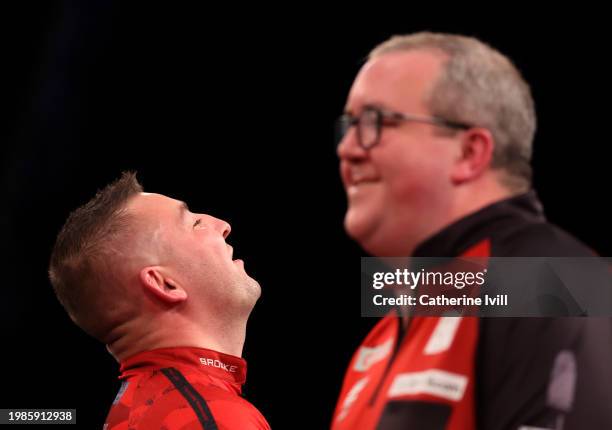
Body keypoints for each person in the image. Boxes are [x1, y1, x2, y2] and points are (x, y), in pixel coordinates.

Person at [332, 32, 612, 429]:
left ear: (469, 153)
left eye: (376, 122)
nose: (347, 149)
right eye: (349, 125)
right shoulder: (382, 336)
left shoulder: (551, 284)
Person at [48, 172, 270, 430]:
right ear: (165, 283)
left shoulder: (153, 407)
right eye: (195, 223)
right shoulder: (207, 418)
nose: (223, 225)